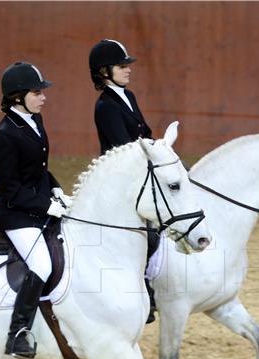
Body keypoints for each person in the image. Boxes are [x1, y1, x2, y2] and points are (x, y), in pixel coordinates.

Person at [0, 61, 71, 359]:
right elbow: (11, 189)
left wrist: (57, 189)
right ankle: (19, 333)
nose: (43, 97)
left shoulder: (35, 121)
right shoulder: (4, 136)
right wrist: (46, 205)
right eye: (37, 93)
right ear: (17, 97)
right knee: (41, 264)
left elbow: (39, 169)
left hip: (40, 205)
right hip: (17, 214)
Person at [89, 39, 158, 323]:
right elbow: (123, 147)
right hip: (120, 179)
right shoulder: (106, 106)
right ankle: (143, 287)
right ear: (104, 71)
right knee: (149, 236)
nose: (128, 69)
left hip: (139, 171)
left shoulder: (127, 96)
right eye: (122, 66)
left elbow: (145, 134)